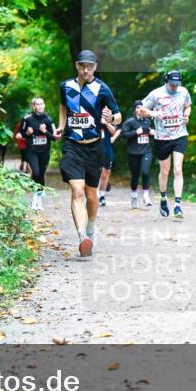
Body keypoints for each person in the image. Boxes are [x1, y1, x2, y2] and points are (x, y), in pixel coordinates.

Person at [57, 50, 121, 257]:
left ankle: (91, 229)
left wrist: (111, 119)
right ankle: (82, 236)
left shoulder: (102, 89)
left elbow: (118, 116)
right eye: (83, 66)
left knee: (91, 195)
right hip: (72, 146)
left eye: (90, 67)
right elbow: (63, 107)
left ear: (95, 67)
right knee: (77, 191)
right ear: (77, 65)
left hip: (94, 148)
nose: (86, 70)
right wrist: (61, 126)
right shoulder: (65, 86)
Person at [137, 70, 193, 219]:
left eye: (177, 84)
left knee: (178, 169)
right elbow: (140, 111)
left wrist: (187, 115)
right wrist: (154, 114)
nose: (174, 87)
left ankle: (177, 205)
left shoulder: (183, 92)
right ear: (166, 81)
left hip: (180, 134)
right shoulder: (156, 94)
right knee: (165, 171)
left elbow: (188, 105)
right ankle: (163, 198)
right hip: (162, 137)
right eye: (172, 84)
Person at [18, 97, 56, 210]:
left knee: (41, 175)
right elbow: (20, 134)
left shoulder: (48, 120)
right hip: (32, 151)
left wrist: (45, 132)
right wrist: (27, 133)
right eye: (37, 104)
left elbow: (54, 138)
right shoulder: (27, 119)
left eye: (41, 104)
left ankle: (39, 200)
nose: (39, 106)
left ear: (44, 105)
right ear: (34, 107)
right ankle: (35, 199)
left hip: (44, 152)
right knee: (36, 172)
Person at [121, 100, 155, 209]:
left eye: (141, 107)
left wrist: (153, 133)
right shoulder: (130, 122)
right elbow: (123, 134)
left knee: (145, 172)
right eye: (137, 107)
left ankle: (146, 196)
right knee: (135, 175)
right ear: (134, 110)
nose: (140, 109)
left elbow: (152, 134)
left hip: (146, 151)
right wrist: (135, 132)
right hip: (133, 152)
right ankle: (134, 196)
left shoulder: (148, 121)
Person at [98, 119, 121, 207]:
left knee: (106, 172)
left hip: (107, 148)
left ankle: (102, 196)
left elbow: (115, 130)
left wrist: (106, 123)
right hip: (94, 149)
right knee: (96, 172)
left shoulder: (108, 116)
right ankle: (95, 194)